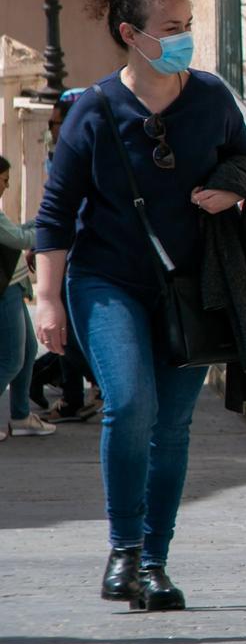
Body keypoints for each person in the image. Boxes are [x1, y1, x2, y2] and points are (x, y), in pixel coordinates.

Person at [34, 0, 246, 611]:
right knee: (131, 405)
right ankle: (123, 548)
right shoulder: (92, 111)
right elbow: (53, 214)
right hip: (107, 282)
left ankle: (155, 564)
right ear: (132, 34)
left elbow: (245, 162)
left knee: (174, 426)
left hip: (192, 289)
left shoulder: (212, 97)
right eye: (171, 27)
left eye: (189, 24)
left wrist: (228, 189)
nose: (184, 38)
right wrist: (48, 299)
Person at [29, 88, 102, 423]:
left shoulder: (88, 154)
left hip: (81, 255)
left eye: (58, 122)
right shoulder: (59, 154)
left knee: (70, 336)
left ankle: (97, 385)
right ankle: (74, 395)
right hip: (64, 255)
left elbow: (72, 213)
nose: (54, 129)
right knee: (63, 333)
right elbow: (52, 213)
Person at [1, 155, 57, 441]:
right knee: (12, 358)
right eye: (4, 180)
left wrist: (43, 221)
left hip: (14, 287)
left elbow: (18, 233)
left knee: (25, 354)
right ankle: (21, 415)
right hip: (5, 291)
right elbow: (21, 240)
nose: (6, 187)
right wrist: (50, 230)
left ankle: (21, 416)